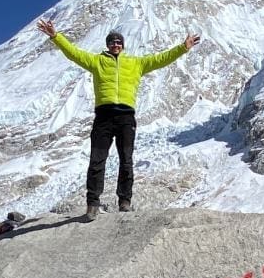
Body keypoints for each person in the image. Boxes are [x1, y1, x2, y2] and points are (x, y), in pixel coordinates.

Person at [36, 19, 200, 220]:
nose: (116, 45)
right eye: (112, 42)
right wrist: (56, 36)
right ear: (107, 45)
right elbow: (74, 53)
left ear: (123, 45)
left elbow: (161, 59)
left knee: (126, 161)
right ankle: (93, 204)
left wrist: (183, 48)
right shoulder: (97, 61)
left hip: (126, 117)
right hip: (103, 116)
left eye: (118, 42)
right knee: (97, 160)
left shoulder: (136, 64)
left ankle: (125, 202)